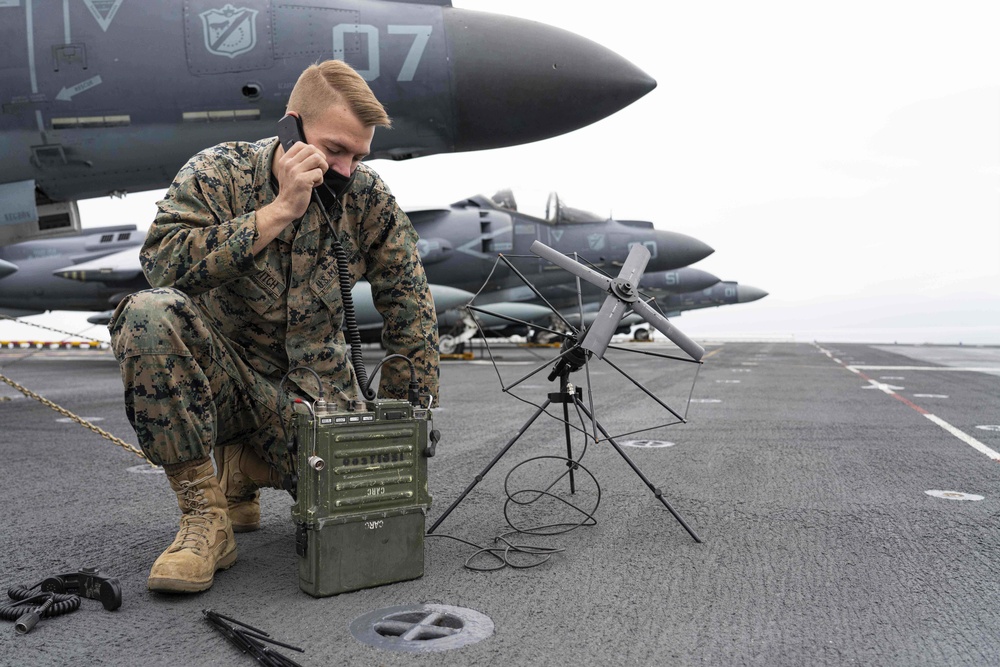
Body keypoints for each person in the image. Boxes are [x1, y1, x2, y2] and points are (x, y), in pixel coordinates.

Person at [109, 60, 440, 594]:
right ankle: (204, 519)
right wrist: (279, 211)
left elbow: (410, 306)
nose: (347, 170)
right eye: (335, 150)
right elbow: (162, 266)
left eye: (358, 155)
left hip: (313, 404)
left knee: (367, 517)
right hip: (225, 386)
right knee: (148, 313)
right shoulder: (219, 173)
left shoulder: (367, 198)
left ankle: (246, 469)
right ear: (292, 127)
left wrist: (408, 428)